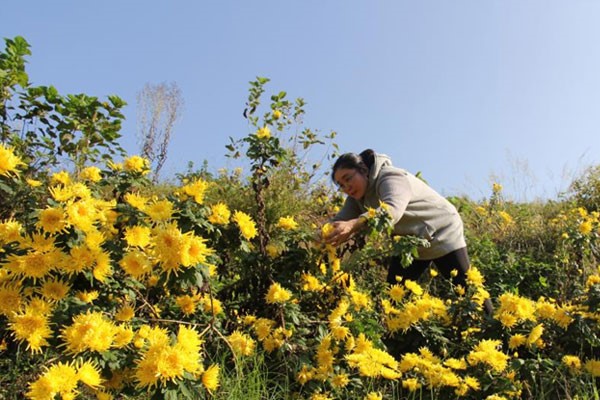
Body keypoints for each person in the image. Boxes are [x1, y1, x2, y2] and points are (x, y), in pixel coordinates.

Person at [323, 149, 493, 315]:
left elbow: (392, 210)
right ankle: (399, 338)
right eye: (341, 185)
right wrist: (319, 235)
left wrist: (354, 224)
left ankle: (495, 328)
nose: (347, 187)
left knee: (468, 289)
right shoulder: (356, 198)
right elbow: (339, 221)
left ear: (363, 170)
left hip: (442, 229)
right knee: (393, 297)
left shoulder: (390, 176)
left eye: (348, 179)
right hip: (409, 242)